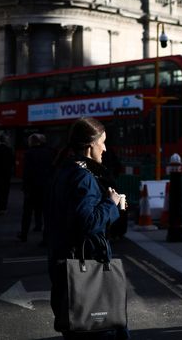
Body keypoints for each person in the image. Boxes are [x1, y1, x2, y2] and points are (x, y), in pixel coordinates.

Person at [45, 118, 128, 340]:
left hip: (63, 265)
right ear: (91, 146)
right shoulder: (83, 177)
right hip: (86, 273)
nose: (106, 148)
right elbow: (88, 223)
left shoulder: (64, 170)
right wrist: (111, 203)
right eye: (103, 142)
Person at [18, 134, 54, 243]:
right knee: (46, 213)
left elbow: (27, 173)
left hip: (32, 187)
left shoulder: (29, 153)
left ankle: (24, 235)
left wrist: (25, 187)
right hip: (46, 187)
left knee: (27, 213)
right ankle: (46, 237)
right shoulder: (50, 152)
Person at [0, 135, 15, 215]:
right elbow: (12, 162)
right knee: (5, 191)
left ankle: (0, 207)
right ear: (5, 140)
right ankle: (4, 207)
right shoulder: (9, 150)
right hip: (6, 173)